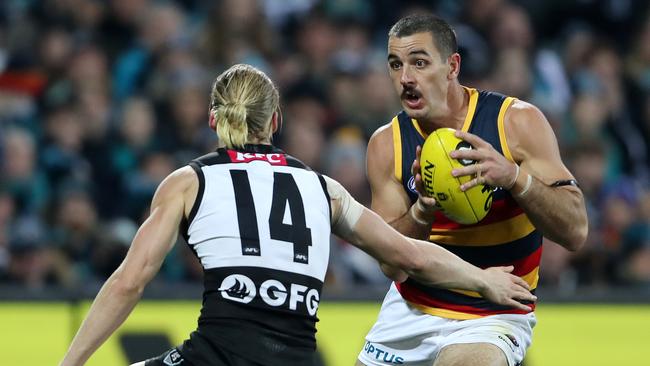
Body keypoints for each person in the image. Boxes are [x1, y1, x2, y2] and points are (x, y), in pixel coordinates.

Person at [59, 64, 535, 366]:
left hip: (218, 355)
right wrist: (483, 280)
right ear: (277, 121)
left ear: (213, 121)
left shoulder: (188, 182)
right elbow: (408, 253)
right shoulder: (321, 187)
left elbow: (130, 281)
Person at [357, 14, 588, 366]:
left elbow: (575, 231)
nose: (405, 78)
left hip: (494, 311)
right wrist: (423, 209)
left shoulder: (515, 122)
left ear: (452, 66)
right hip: (410, 309)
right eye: (395, 64)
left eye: (419, 63)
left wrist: (513, 178)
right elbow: (393, 267)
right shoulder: (386, 144)